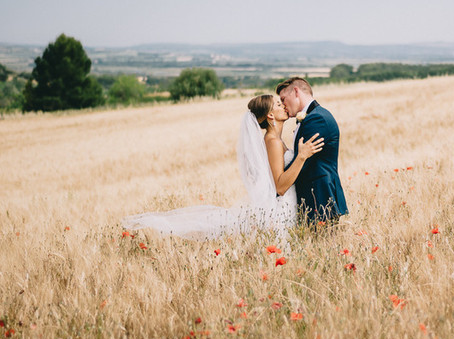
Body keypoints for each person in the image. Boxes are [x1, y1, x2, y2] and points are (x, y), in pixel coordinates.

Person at [121, 94, 324, 239]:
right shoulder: (273, 141)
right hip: (282, 208)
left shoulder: (276, 139)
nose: (284, 106)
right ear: (270, 115)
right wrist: (301, 157)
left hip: (287, 204)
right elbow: (280, 187)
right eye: (278, 105)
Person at [276, 77, 348, 224]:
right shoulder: (315, 115)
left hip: (320, 200)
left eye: (283, 99)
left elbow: (303, 163)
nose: (283, 105)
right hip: (316, 199)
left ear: (296, 91)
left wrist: (277, 185)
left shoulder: (316, 119)